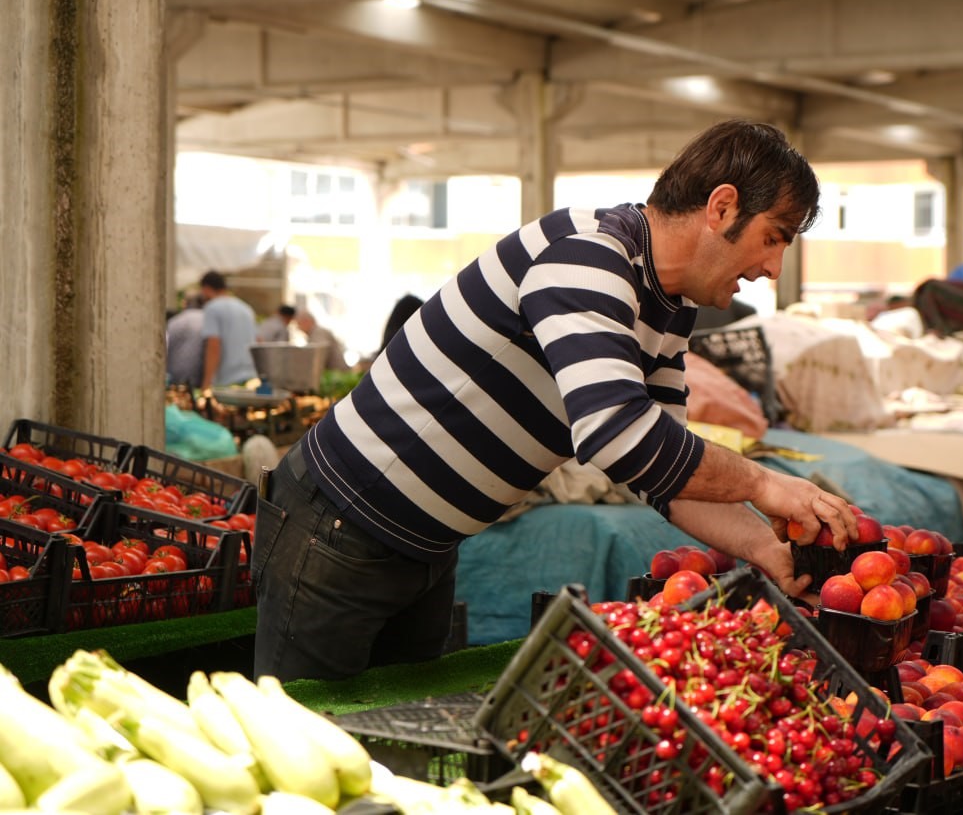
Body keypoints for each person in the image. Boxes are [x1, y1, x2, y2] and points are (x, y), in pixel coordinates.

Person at [252, 120, 856, 682]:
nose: (774, 268)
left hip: (424, 547)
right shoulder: (587, 255)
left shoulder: (667, 308)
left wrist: (765, 551)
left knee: (387, 740)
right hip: (339, 528)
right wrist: (762, 483)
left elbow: (666, 475)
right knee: (304, 754)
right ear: (722, 208)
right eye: (773, 238)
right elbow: (618, 434)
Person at [198, 270, 259, 390]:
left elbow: (213, 345)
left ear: (206, 288)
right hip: (251, 378)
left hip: (227, 381)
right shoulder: (246, 308)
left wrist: (206, 383)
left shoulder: (212, 308)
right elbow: (258, 341)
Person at [165, 292, 204, 388]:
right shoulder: (207, 318)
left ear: (185, 303)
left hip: (175, 378)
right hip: (200, 379)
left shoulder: (175, 321)